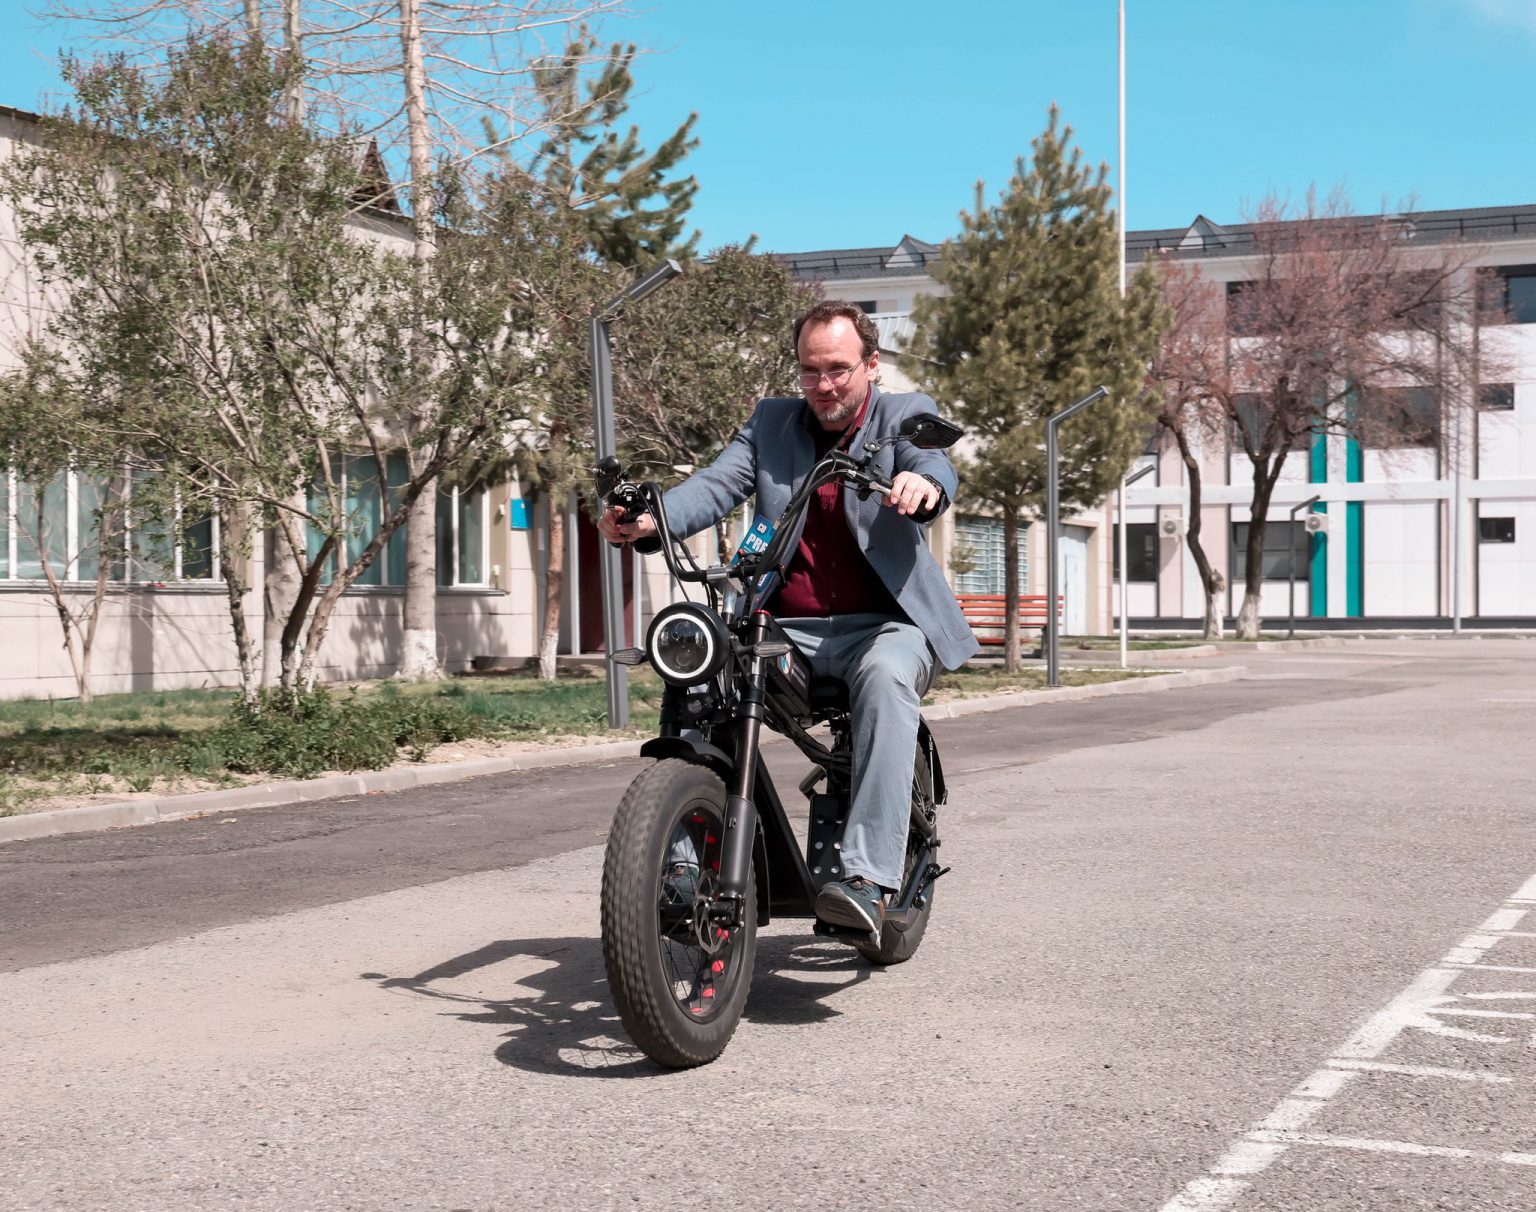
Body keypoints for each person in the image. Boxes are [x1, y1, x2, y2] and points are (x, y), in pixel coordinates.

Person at [598, 299, 980, 939]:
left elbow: (933, 464)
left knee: (887, 678)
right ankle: (682, 860)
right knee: (700, 663)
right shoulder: (771, 422)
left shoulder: (902, 415)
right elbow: (716, 485)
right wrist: (649, 520)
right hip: (784, 629)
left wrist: (926, 487)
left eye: (837, 369)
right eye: (810, 370)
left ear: (871, 365)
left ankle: (866, 879)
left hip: (885, 626)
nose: (823, 385)